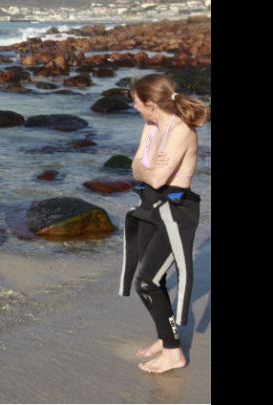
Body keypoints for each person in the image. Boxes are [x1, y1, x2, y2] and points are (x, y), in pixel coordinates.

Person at [119, 74, 210, 374]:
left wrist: (145, 169)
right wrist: (145, 168)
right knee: (149, 280)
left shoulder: (182, 130)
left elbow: (155, 177)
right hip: (150, 208)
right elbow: (134, 167)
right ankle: (165, 337)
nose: (134, 108)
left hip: (176, 212)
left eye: (136, 102)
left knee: (147, 280)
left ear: (149, 103)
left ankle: (174, 353)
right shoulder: (150, 125)